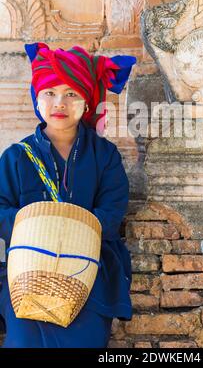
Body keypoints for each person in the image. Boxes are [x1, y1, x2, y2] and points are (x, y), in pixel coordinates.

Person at [0, 42, 136, 348]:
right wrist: (34, 228)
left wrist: (72, 231)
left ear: (86, 102)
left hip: (87, 274)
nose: (59, 102)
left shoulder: (105, 156)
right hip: (28, 276)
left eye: (71, 93)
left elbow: (112, 210)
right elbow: (0, 208)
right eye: (49, 92)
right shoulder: (16, 157)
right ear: (37, 98)